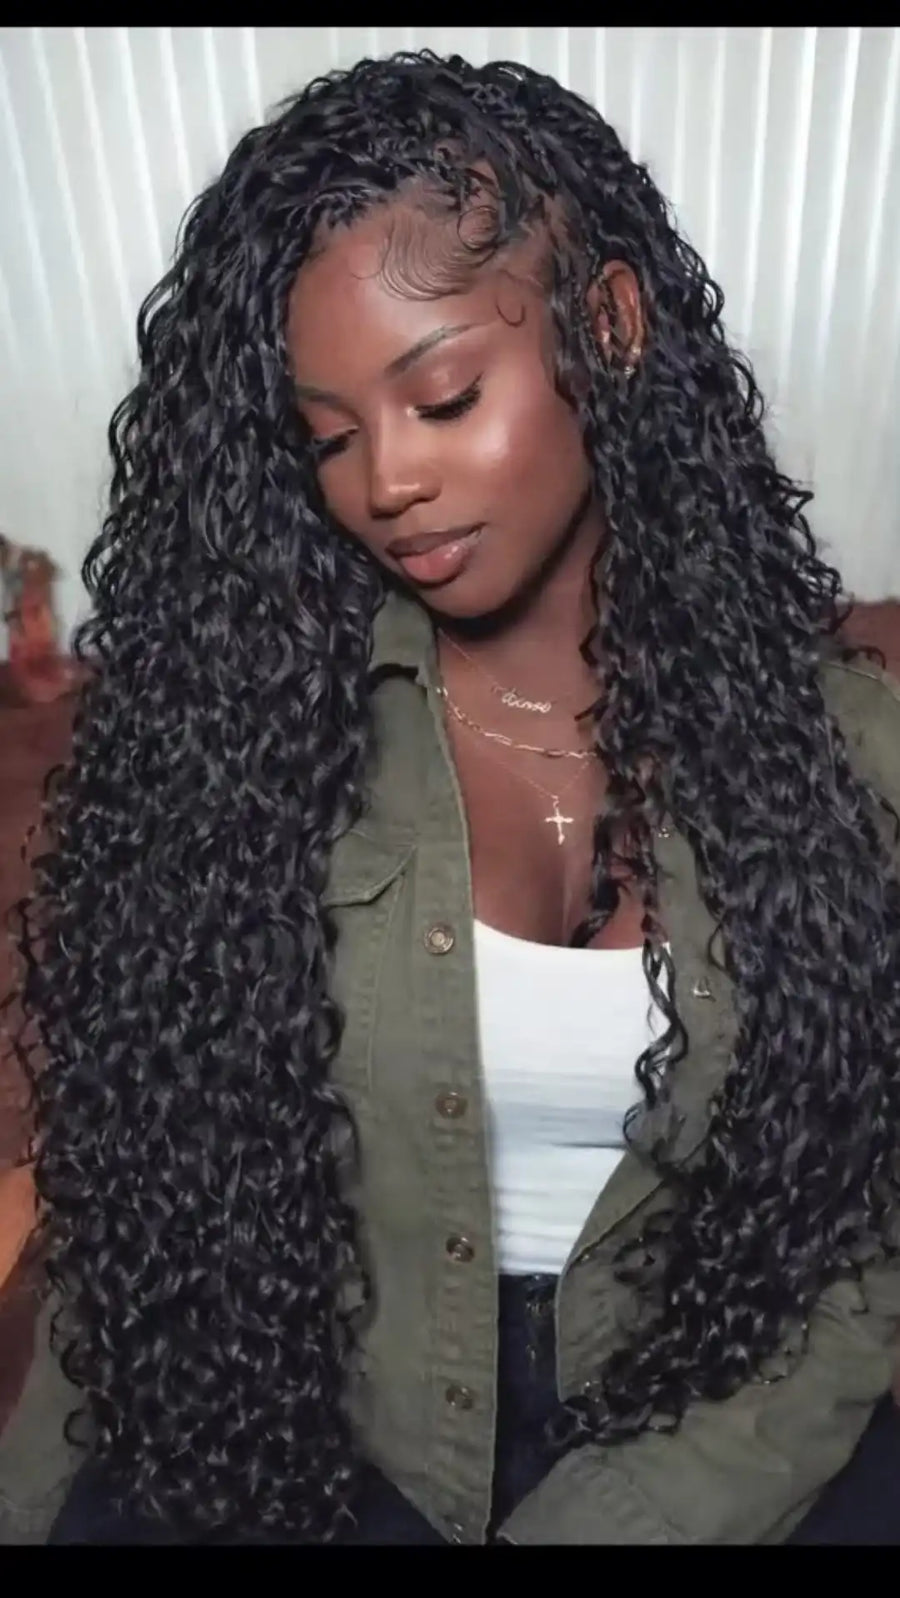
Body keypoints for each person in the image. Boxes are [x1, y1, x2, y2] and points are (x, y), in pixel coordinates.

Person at [2, 48, 900, 1547]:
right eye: (331, 436)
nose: (387, 484)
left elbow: (865, 1249)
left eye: (444, 395)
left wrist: (629, 1510)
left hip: (715, 1418)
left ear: (609, 328)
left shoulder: (846, 760)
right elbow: (138, 1206)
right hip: (298, 1419)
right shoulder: (242, 743)